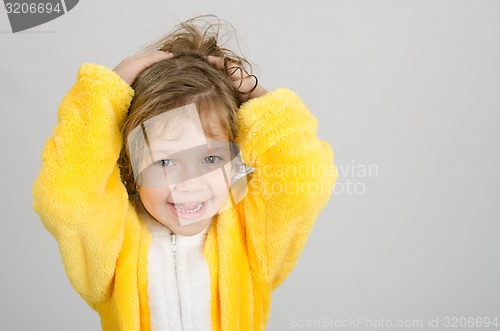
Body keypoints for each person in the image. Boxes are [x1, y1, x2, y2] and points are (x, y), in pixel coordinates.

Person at [32, 15, 337, 331]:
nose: (190, 184)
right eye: (165, 163)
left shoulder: (251, 236)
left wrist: (261, 101)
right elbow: (66, 197)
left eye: (209, 159)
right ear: (131, 165)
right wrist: (105, 93)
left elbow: (305, 183)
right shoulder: (113, 244)